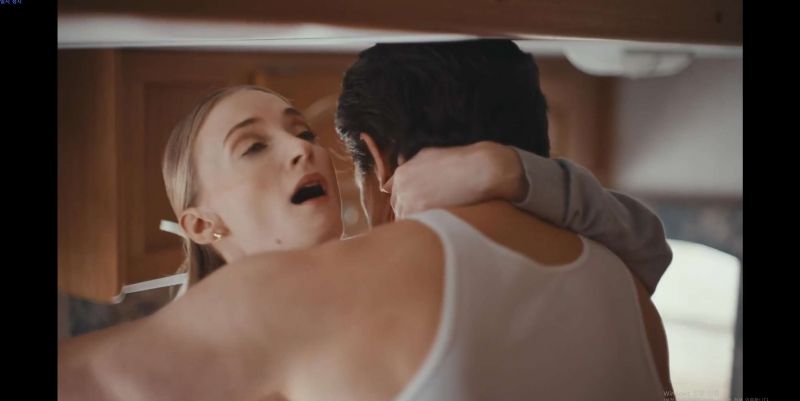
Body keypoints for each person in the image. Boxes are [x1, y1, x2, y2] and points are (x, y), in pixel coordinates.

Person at [59, 40, 672, 401]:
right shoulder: (629, 294)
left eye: (305, 132)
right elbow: (647, 244)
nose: (302, 150)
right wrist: (508, 170)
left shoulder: (327, 292)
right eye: (253, 146)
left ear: (377, 158)